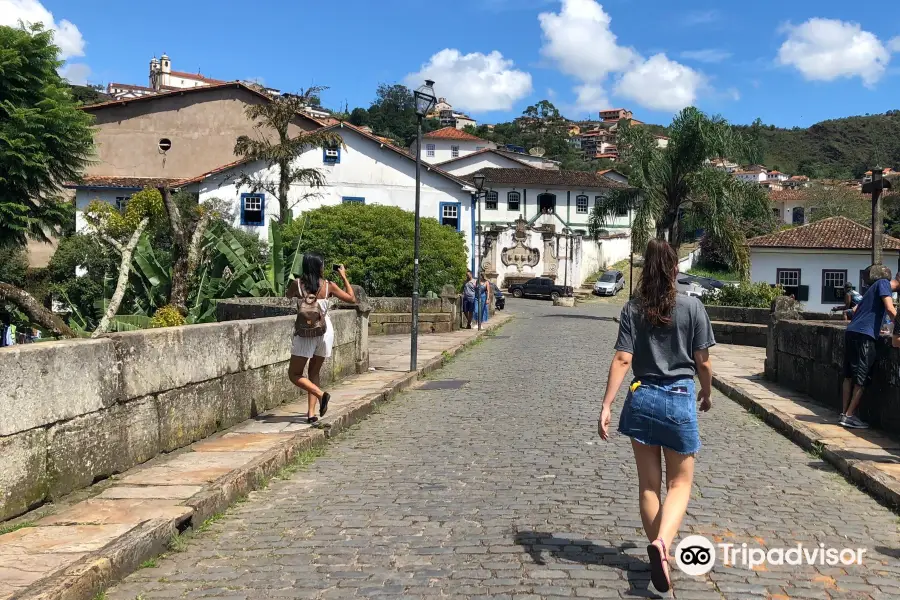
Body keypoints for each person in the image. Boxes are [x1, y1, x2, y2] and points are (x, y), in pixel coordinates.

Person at [598, 239, 715, 594]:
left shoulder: (633, 308)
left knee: (648, 486)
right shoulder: (693, 307)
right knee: (679, 484)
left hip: (642, 397)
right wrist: (707, 392)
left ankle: (658, 552)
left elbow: (623, 358)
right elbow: (703, 361)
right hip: (679, 398)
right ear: (675, 268)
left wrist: (606, 404)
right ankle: (663, 545)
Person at [286, 253, 356, 424]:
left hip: (305, 332)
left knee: (294, 374)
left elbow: (288, 295)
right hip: (324, 331)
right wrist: (344, 277)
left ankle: (320, 395)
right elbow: (352, 298)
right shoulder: (328, 286)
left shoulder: (297, 284)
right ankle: (311, 413)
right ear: (319, 267)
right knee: (314, 372)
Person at [842, 271, 899, 429]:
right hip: (864, 335)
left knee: (848, 375)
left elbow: (859, 311)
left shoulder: (873, 289)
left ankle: (843, 413)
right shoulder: (884, 284)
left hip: (852, 331)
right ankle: (849, 415)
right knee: (862, 376)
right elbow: (889, 309)